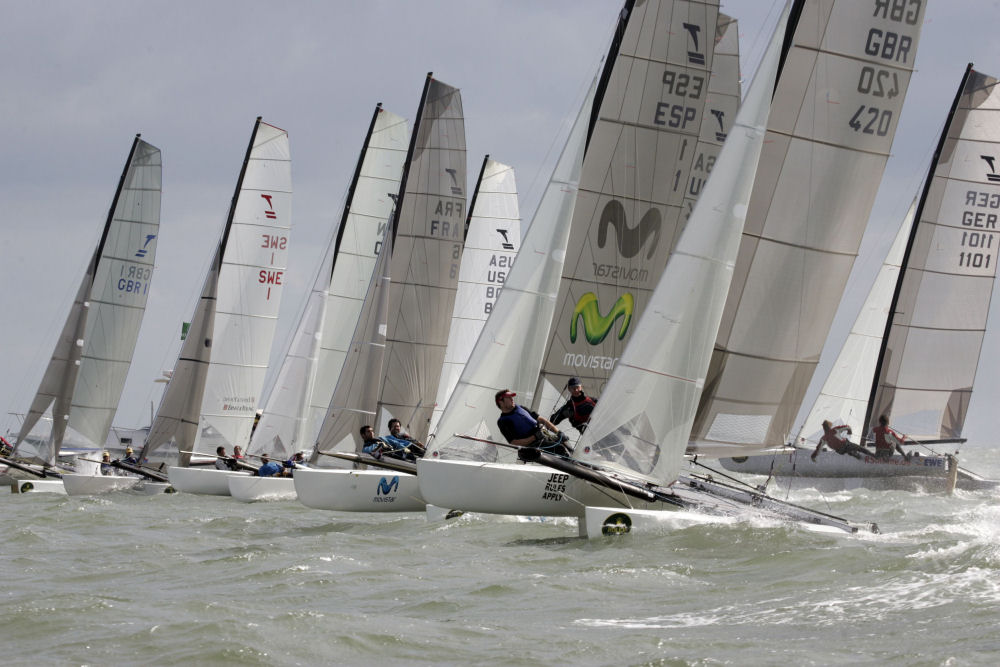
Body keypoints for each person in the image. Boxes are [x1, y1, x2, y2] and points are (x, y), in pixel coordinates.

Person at [495, 389, 570, 457]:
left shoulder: (521, 408)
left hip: (543, 437)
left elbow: (541, 419)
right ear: (501, 402)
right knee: (560, 449)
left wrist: (558, 432)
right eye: (509, 398)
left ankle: (577, 463)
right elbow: (513, 442)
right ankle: (573, 466)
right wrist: (535, 437)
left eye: (512, 397)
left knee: (565, 442)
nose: (512, 399)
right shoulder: (503, 421)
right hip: (532, 446)